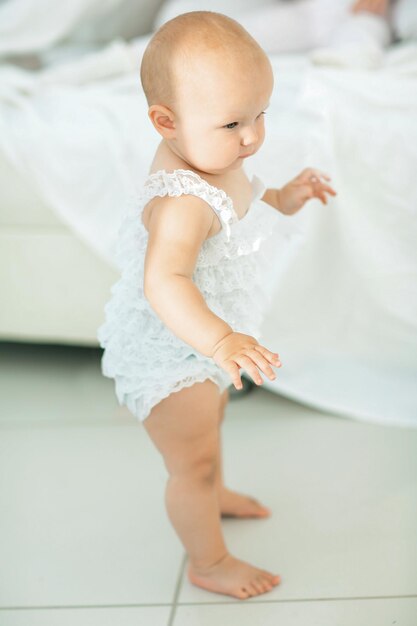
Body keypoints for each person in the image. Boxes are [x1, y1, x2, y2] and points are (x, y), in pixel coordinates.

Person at [97, 10, 336, 600]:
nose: (252, 136)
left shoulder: (218, 156)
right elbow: (165, 279)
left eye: (261, 114)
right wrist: (220, 340)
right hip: (169, 353)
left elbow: (250, 198)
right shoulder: (182, 199)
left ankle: (216, 490)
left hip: (198, 342)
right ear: (165, 121)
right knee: (190, 462)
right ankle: (208, 561)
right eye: (233, 122)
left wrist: (287, 195)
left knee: (212, 425)